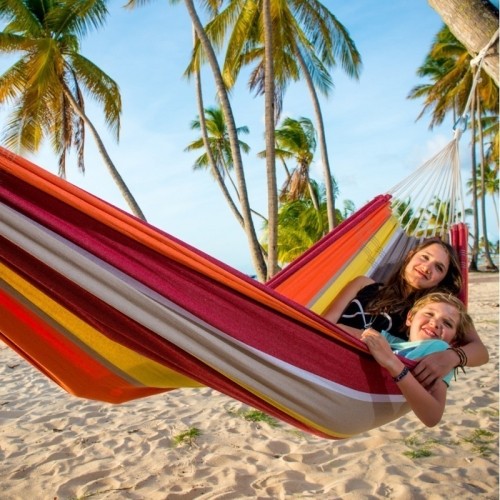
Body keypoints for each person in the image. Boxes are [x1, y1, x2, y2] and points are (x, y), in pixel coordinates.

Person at [323, 239, 488, 387]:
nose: (427, 267)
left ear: (442, 279)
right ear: (410, 255)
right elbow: (324, 323)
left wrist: (453, 357)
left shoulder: (428, 314)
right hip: (325, 358)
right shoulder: (363, 284)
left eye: (438, 267)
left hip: (365, 382)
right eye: (425, 257)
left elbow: (481, 352)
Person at [358, 292, 473, 427]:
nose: (435, 323)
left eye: (447, 323)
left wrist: (393, 364)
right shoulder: (389, 339)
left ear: (453, 339)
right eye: (429, 314)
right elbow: (345, 332)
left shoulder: (440, 350)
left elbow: (432, 417)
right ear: (410, 318)